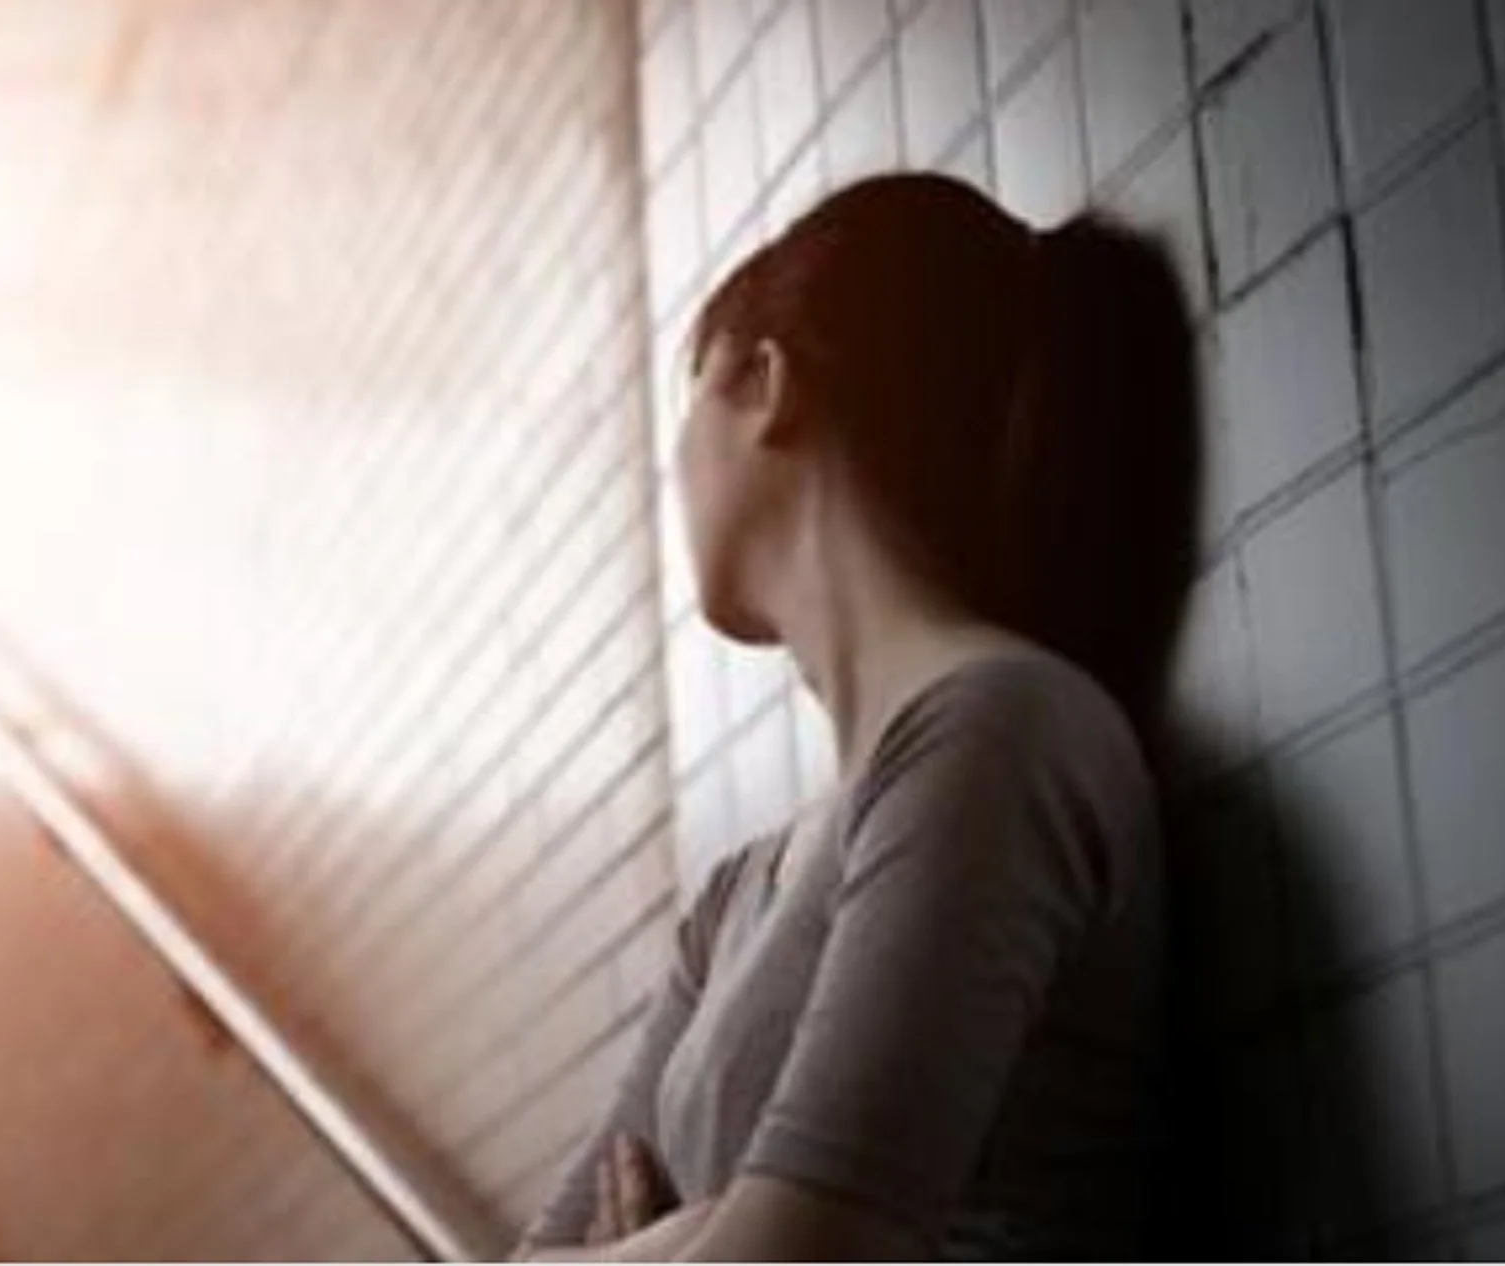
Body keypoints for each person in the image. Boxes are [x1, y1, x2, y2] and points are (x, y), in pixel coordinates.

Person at [512, 172, 1199, 1261]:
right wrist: (706, 1233)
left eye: (689, 402)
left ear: (764, 381)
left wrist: (698, 1227)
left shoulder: (999, 732)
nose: (673, 473)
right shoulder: (733, 899)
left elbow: (798, 1257)